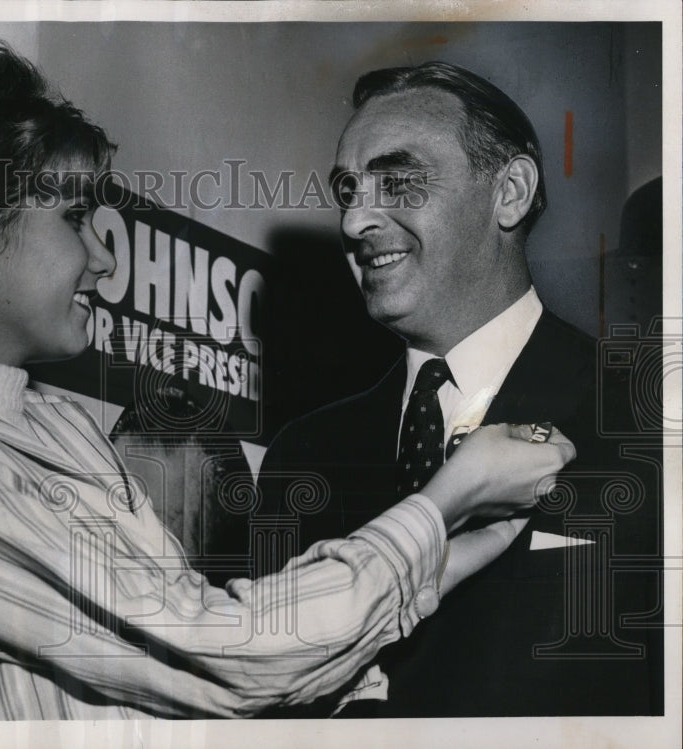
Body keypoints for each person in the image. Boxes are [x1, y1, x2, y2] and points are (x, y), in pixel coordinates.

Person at [0, 41, 574, 721]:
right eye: (76, 218)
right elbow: (219, 653)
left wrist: (437, 559)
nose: (106, 258)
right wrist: (442, 504)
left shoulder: (56, 429)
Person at [252, 62, 662, 716]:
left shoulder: (648, 422)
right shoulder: (302, 455)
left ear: (511, 192)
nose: (356, 220)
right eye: (349, 190)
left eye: (400, 181)